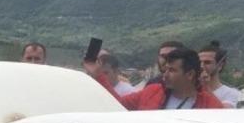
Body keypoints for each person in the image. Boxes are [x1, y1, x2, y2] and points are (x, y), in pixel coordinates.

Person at [87, 47, 224, 109]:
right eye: (166, 69)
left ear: (190, 74)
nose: (165, 74)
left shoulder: (210, 106)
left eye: (172, 70)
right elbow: (117, 104)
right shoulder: (152, 91)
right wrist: (98, 75)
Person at [198, 41, 243, 108]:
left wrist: (206, 87)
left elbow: (222, 113)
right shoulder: (190, 91)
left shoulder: (231, 93)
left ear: (220, 66)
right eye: (199, 62)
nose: (201, 66)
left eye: (207, 62)